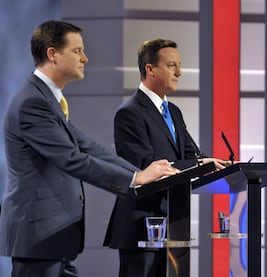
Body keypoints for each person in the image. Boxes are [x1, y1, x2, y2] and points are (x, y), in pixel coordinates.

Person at [0, 20, 178, 277]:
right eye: (77, 51)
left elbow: (88, 147)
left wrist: (140, 175)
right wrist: (135, 178)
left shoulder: (47, 100)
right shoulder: (33, 102)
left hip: (53, 238)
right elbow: (72, 159)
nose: (85, 57)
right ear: (52, 54)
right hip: (39, 238)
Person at [103, 38, 230, 277]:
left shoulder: (173, 111)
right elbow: (145, 166)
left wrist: (220, 165)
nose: (179, 72)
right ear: (150, 69)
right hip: (142, 225)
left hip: (174, 224)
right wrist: (198, 164)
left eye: (179, 65)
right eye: (172, 66)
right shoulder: (129, 113)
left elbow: (192, 155)